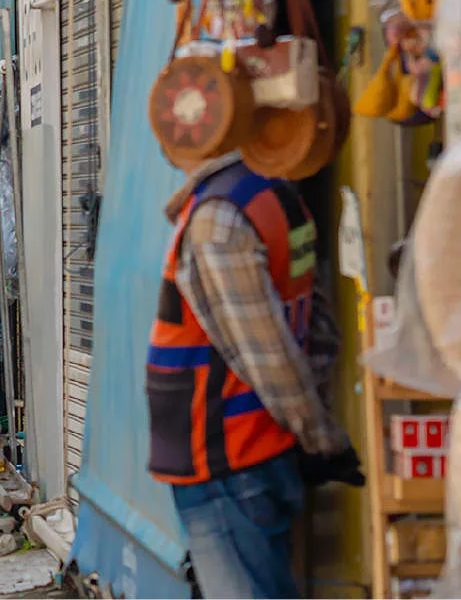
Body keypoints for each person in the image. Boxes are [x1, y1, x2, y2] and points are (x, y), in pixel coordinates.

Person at [148, 154, 363, 598]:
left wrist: (320, 437)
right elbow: (318, 329)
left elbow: (268, 355)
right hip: (253, 455)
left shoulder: (220, 217)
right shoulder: (280, 200)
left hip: (226, 461)